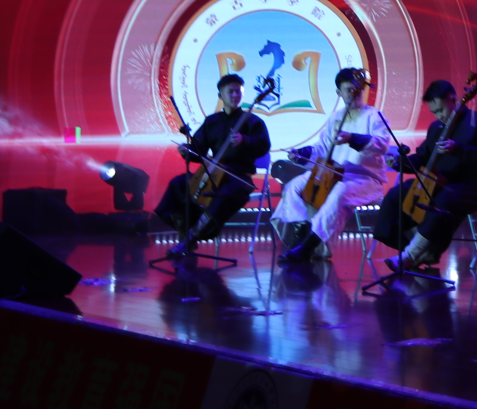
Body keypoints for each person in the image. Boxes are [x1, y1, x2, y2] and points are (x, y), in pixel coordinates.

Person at [377, 79, 477, 277]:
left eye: (441, 110)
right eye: (434, 112)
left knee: (442, 202)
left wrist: (458, 149)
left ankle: (412, 254)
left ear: (454, 100)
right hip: (437, 184)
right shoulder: (436, 127)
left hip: (472, 187)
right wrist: (399, 163)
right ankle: (422, 250)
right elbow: (423, 157)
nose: (439, 116)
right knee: (396, 195)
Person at [271, 67, 392, 264]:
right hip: (332, 175)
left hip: (365, 179)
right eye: (348, 89)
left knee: (339, 191)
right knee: (294, 186)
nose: (353, 93)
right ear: (339, 92)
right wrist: (302, 153)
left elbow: (382, 144)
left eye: (357, 89)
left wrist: (352, 138)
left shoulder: (374, 116)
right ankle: (300, 236)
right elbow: (322, 149)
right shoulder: (336, 117)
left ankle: (309, 246)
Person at [154, 73, 271, 258]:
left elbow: (264, 146)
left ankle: (192, 238)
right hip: (212, 173)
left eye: (238, 92)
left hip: (239, 176)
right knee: (179, 184)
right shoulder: (212, 121)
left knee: (222, 196)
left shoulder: (254, 122)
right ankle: (184, 233)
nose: (235, 95)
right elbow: (199, 150)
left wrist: (245, 140)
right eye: (230, 91)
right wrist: (187, 150)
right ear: (220, 95)